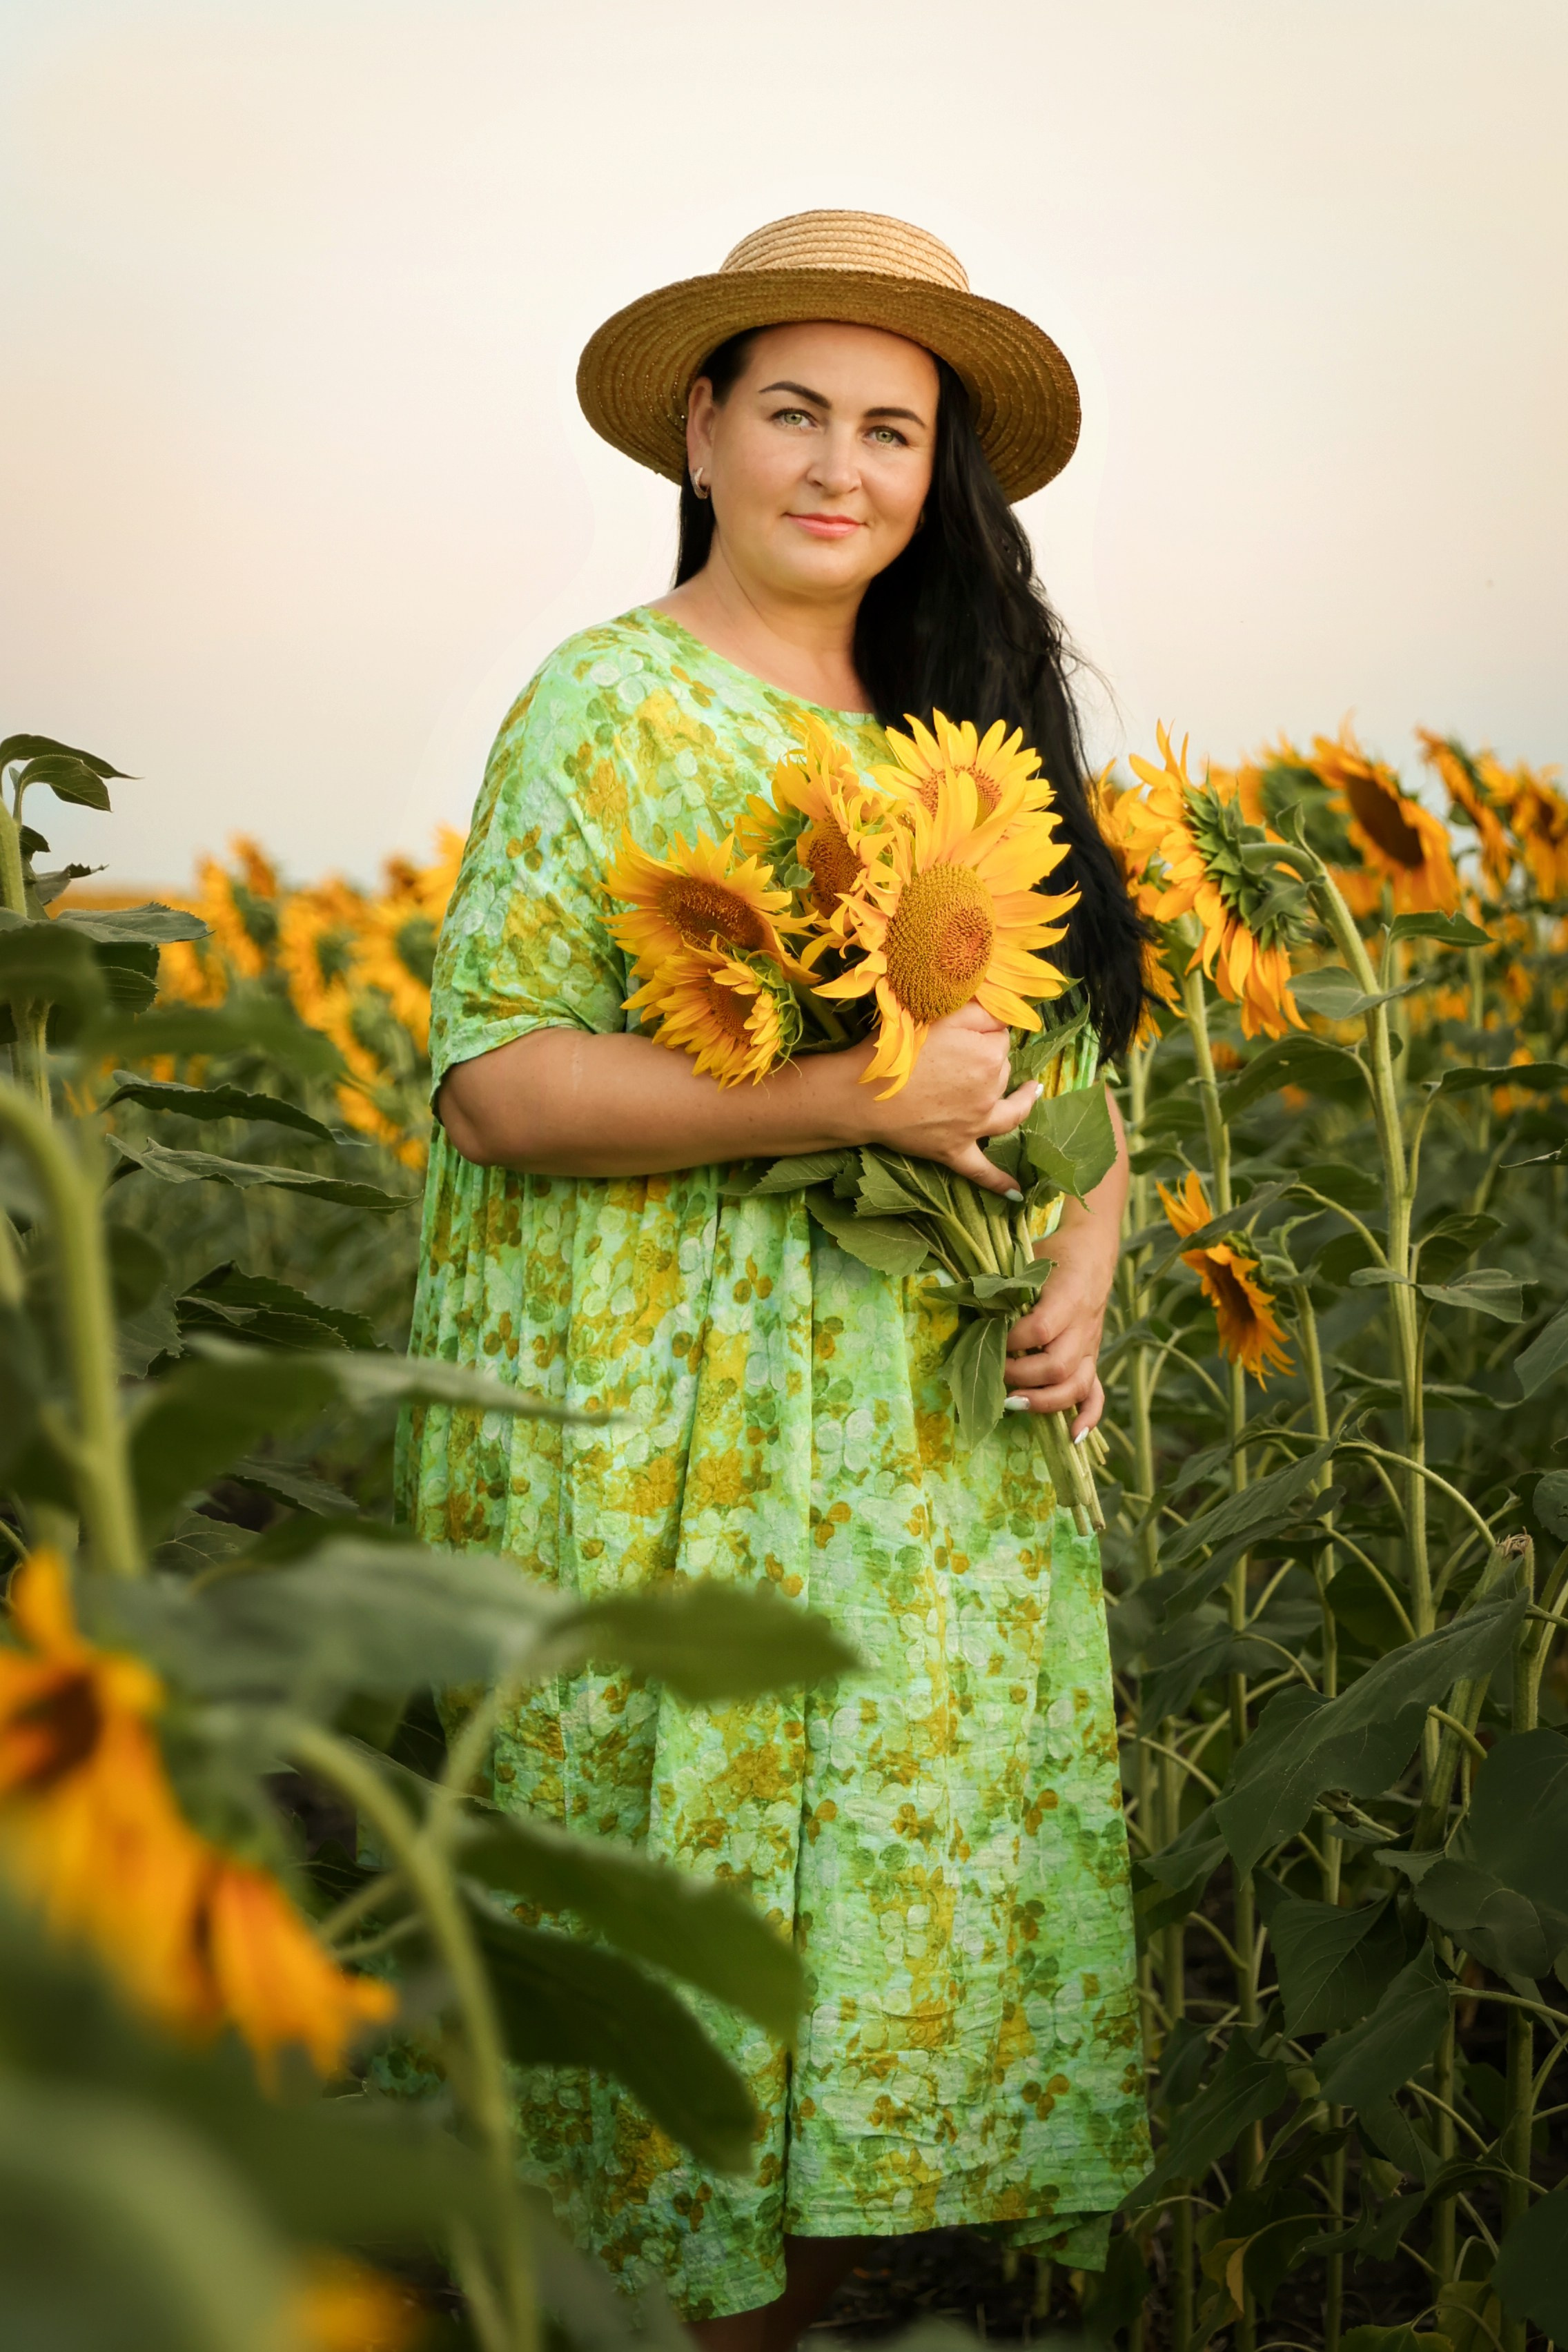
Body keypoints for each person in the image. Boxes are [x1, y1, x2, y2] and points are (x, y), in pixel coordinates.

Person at [404, 210, 1152, 2349]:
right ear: (706, 431)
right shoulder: (608, 709)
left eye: (892, 430)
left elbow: (1085, 1078)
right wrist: (847, 1098)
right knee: (670, 2038)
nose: (842, 465)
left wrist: (1085, 1261)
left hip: (922, 1478)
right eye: (798, 411)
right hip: (670, 1454)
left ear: (941, 475)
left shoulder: (961, 735)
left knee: (848, 2048)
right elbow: (504, 1092)